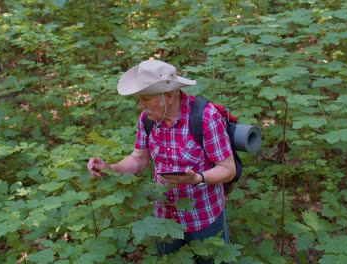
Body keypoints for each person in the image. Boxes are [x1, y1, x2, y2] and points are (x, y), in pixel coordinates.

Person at [87, 59, 236, 262]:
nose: (141, 106)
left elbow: (228, 169)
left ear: (168, 96)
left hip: (204, 216)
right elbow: (138, 159)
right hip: (165, 218)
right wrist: (110, 168)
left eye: (146, 99)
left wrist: (198, 178)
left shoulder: (205, 118)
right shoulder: (148, 119)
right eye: (139, 99)